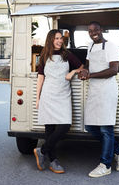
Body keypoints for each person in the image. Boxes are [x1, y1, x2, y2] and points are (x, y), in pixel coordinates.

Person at [78, 21, 119, 178]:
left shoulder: (111, 46)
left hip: (107, 91)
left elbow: (114, 70)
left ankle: (105, 164)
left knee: (106, 129)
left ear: (102, 30)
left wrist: (90, 75)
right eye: (90, 30)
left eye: (96, 30)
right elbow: (87, 65)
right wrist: (83, 71)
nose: (93, 32)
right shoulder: (91, 46)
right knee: (91, 126)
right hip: (94, 91)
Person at [34, 29, 83, 174]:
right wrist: (37, 98)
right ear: (50, 40)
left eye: (61, 38)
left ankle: (41, 150)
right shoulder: (44, 56)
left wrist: (73, 72)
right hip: (48, 95)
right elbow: (40, 77)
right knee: (49, 130)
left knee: (64, 126)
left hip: (63, 95)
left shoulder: (67, 54)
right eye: (56, 38)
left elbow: (81, 66)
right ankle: (53, 161)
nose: (60, 41)